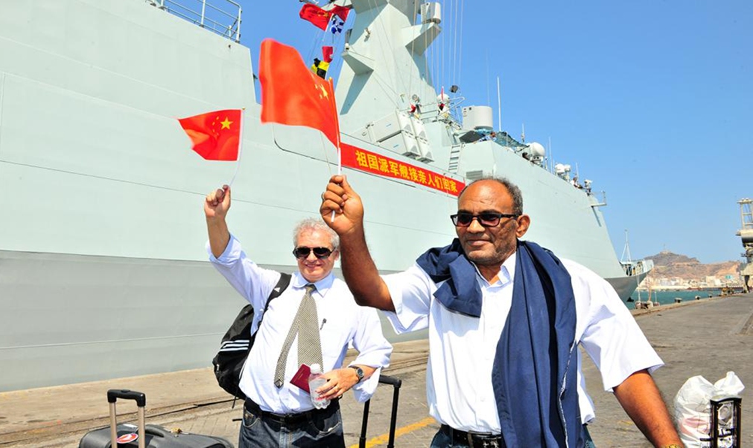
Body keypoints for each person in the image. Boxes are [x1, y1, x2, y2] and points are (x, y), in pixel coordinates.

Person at [320, 175, 684, 448]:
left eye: (490, 217)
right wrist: (351, 233)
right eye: (464, 218)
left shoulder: (571, 283)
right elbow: (371, 293)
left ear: (520, 224)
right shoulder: (437, 277)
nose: (474, 227)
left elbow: (627, 371)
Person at [205, 185, 392, 448]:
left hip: (318, 429)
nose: (311, 258)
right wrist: (216, 220)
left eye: (321, 251)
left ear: (336, 254)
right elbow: (230, 261)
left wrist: (353, 373)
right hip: (259, 426)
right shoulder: (270, 287)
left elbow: (377, 350)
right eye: (303, 251)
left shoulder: (353, 299)